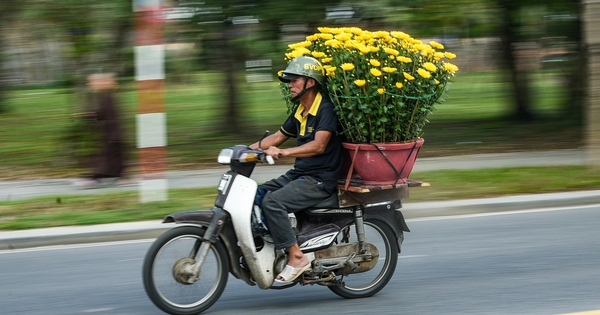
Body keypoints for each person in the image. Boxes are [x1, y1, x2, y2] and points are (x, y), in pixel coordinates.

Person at [249, 56, 343, 283]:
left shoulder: (325, 109)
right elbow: (278, 137)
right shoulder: (301, 111)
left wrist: (285, 153)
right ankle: (277, 240)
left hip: (320, 178)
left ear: (310, 82)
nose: (289, 85)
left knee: (273, 203)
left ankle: (297, 256)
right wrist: (243, 151)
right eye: (288, 81)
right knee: (255, 193)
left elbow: (319, 145)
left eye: (294, 80)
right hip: (301, 174)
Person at [74, 73, 126, 188]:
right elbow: (102, 114)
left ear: (103, 82)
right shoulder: (106, 96)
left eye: (92, 82)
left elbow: (114, 118)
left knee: (107, 158)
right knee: (112, 158)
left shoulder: (109, 97)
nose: (89, 84)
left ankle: (95, 179)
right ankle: (113, 177)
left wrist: (114, 135)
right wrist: (88, 116)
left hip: (112, 134)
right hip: (111, 134)